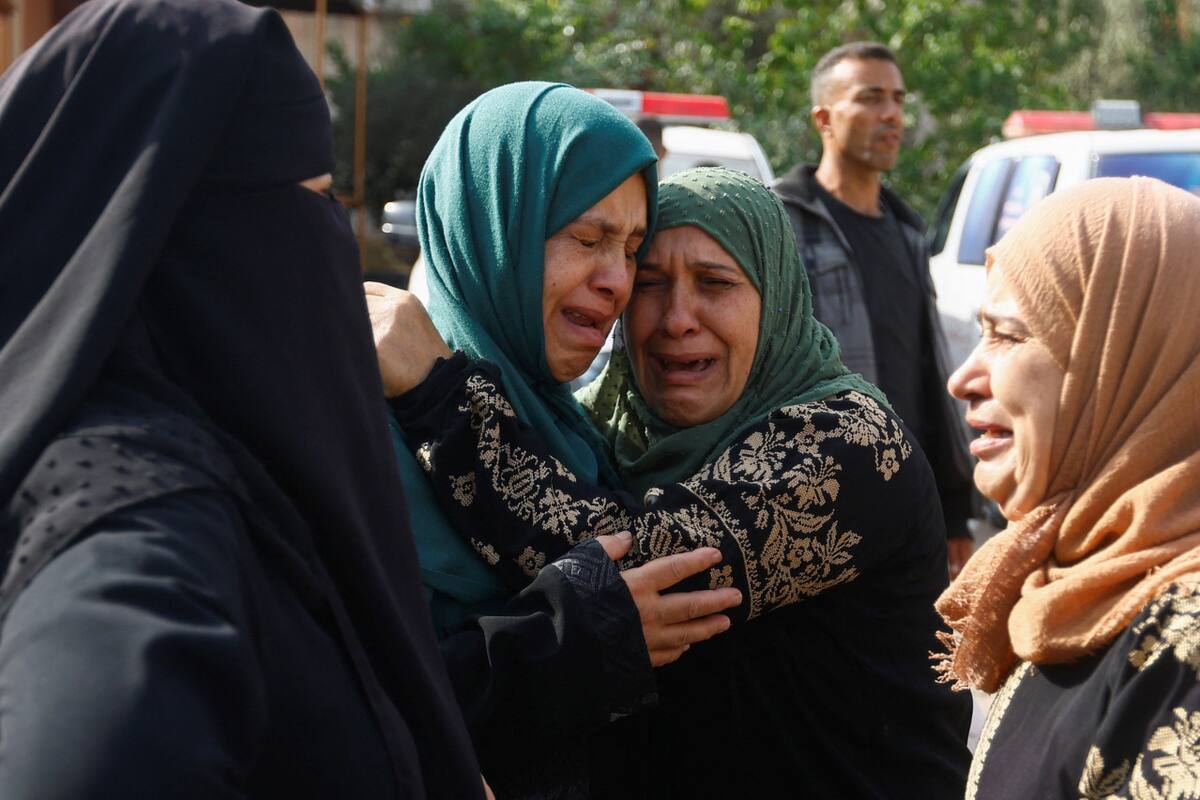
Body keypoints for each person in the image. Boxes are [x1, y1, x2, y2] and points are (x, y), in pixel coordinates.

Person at [0, 0, 486, 796]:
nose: (328, 242)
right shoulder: (148, 520)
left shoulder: (191, 455)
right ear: (175, 221)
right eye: (315, 199)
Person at [383, 167, 972, 797]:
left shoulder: (847, 441)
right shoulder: (596, 433)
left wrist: (440, 394)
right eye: (651, 284)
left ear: (775, 300)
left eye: (715, 284)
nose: (676, 319)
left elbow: (629, 571)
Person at [369, 82, 743, 798]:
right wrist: (561, 643)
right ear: (491, 224)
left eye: (632, 249)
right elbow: (332, 702)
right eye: (587, 238)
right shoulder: (358, 428)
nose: (618, 282)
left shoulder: (567, 428)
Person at [937, 177, 1200, 798]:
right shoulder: (1066, 579)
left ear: (1123, 362)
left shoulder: (1185, 645)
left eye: (1007, 334)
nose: (962, 377)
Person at [771, 41, 977, 577]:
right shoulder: (782, 224)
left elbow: (929, 371)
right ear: (824, 117)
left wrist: (954, 510)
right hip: (825, 495)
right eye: (870, 98)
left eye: (898, 99)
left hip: (911, 499)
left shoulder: (907, 230)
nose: (892, 115)